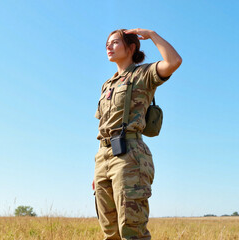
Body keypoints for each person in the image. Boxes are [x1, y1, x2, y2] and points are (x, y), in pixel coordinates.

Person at [93, 28, 182, 240]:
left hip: (129, 156)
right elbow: (104, 125)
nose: (109, 46)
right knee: (110, 231)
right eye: (108, 42)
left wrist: (152, 35)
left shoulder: (142, 74)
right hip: (104, 156)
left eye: (115, 42)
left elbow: (174, 61)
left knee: (132, 231)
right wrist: (99, 167)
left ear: (131, 47)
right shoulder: (107, 84)